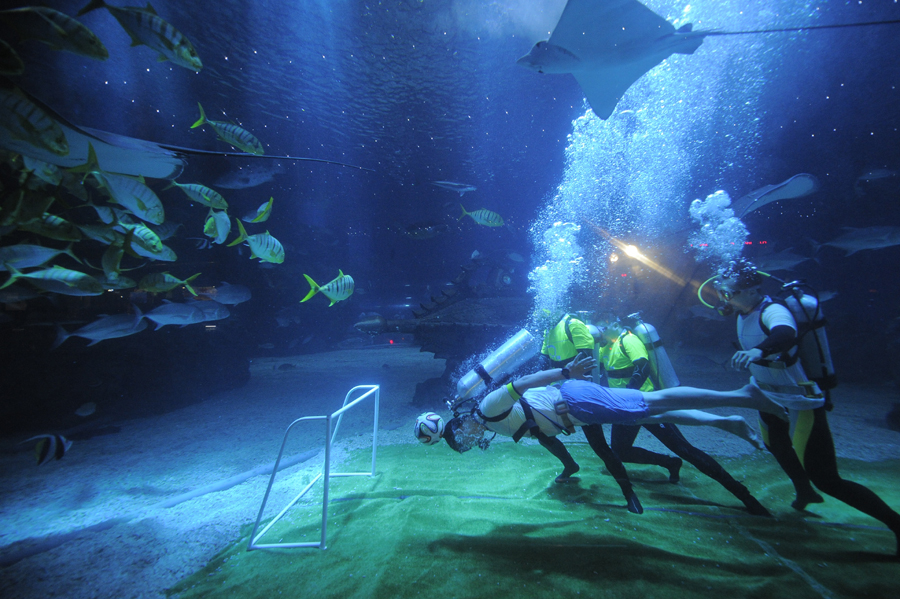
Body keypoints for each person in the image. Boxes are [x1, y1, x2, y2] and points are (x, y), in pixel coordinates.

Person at [441, 353, 812, 514]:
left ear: (463, 426)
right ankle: (724, 420)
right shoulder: (489, 424)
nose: (471, 444)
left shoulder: (487, 408)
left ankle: (742, 397)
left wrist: (565, 374)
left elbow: (523, 382)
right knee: (648, 412)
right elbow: (537, 425)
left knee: (653, 404)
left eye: (465, 440)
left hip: (575, 399)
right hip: (579, 413)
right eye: (466, 447)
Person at [716, 258, 900, 556]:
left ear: (752, 290)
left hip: (800, 400)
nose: (726, 299)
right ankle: (804, 491)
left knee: (827, 477)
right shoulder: (743, 310)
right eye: (724, 293)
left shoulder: (773, 309)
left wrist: (756, 351)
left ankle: (895, 523)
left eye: (731, 292)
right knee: (775, 445)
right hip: (769, 396)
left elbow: (785, 334)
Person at [594, 314, 770, 516]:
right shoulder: (605, 347)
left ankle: (744, 494)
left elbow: (643, 368)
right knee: (620, 451)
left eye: (603, 328)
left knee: (685, 449)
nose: (600, 333)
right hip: (625, 407)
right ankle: (669, 462)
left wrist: (628, 395)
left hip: (647, 403)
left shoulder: (629, 340)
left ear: (616, 325)